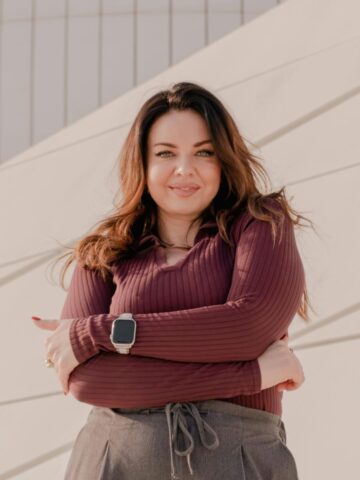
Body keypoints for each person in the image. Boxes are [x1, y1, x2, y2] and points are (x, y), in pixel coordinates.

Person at [32, 81, 314, 480]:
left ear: (224, 159)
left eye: (204, 152)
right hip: (113, 463)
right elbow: (86, 380)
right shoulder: (102, 252)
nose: (185, 169)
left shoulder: (261, 223)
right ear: (143, 163)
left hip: (238, 462)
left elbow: (246, 328)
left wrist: (102, 333)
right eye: (166, 153)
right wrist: (249, 375)